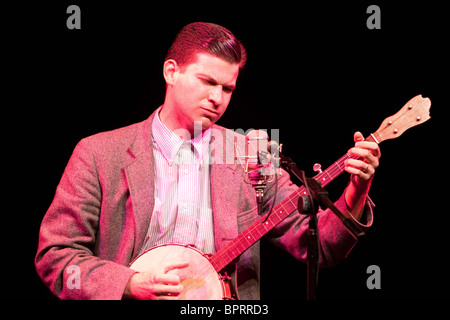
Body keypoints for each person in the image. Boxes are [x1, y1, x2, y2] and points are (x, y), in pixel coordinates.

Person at [35, 22, 380, 300]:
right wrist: (128, 284)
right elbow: (56, 255)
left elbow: (318, 245)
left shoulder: (248, 154)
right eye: (207, 82)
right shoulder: (99, 153)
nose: (217, 98)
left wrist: (357, 189)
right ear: (171, 72)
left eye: (227, 89)